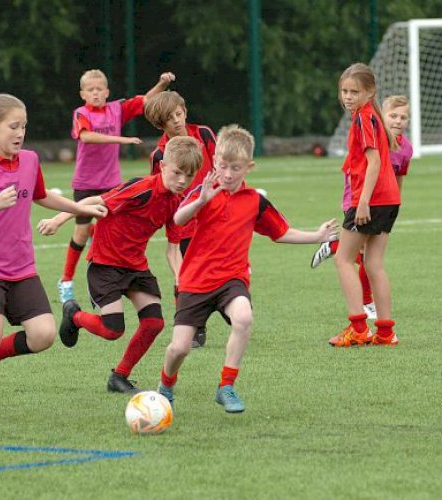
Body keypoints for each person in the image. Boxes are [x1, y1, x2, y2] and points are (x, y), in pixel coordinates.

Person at [0, 94, 107, 429]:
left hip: (21, 267)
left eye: (24, 127)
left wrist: (81, 209)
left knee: (44, 335)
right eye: (13, 127)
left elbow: (43, 196)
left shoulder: (30, 160)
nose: (20, 133)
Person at [157, 125, 337, 413]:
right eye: (223, 166)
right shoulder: (203, 193)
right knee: (179, 348)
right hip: (195, 281)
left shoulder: (254, 201)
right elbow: (178, 219)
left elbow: (280, 232)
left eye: (236, 168)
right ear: (214, 161)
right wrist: (201, 201)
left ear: (249, 167)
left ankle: (226, 386)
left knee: (242, 318)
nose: (228, 174)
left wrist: (316, 237)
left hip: (232, 279)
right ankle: (166, 385)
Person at [37, 136, 203, 394]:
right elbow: (94, 201)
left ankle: (120, 377)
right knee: (113, 330)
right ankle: (75, 316)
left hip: (136, 267)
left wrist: (183, 280)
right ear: (163, 167)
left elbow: (172, 250)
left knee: (154, 323)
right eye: (177, 172)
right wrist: (59, 219)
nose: (182, 180)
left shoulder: (177, 202)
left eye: (189, 176)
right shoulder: (142, 188)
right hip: (106, 264)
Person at [57, 69, 176, 304]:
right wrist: (122, 140)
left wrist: (161, 83)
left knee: (111, 229)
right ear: (83, 94)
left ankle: (104, 282)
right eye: (90, 90)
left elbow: (146, 101)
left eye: (99, 89)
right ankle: (66, 281)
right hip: (86, 181)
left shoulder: (116, 109)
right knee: (81, 232)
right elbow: (87, 137)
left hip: (111, 182)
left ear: (107, 91)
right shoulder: (81, 113)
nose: (95, 93)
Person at [311, 95, 412, 325]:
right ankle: (366, 303)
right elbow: (353, 169)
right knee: (367, 257)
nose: (397, 121)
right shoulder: (374, 139)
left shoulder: (406, 149)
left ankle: (334, 247)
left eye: (403, 117)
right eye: (393, 116)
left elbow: (399, 176)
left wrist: (397, 201)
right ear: (382, 117)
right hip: (361, 200)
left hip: (384, 203)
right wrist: (350, 201)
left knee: (370, 259)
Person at [325, 63, 401, 348]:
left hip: (371, 199)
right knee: (373, 264)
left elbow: (374, 162)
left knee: (343, 259)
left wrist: (363, 202)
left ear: (370, 92)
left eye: (354, 91)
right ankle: (384, 332)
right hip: (390, 198)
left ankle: (358, 327)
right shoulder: (369, 117)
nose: (347, 96)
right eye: (344, 91)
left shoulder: (364, 119)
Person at [145, 91, 216, 348]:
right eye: (169, 118)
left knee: (216, 268)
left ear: (185, 110)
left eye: (179, 113)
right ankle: (193, 327)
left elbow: (221, 165)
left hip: (213, 216)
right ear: (160, 124)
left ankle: (229, 303)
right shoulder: (160, 155)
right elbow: (158, 189)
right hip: (182, 220)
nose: (177, 120)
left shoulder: (204, 134)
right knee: (186, 274)